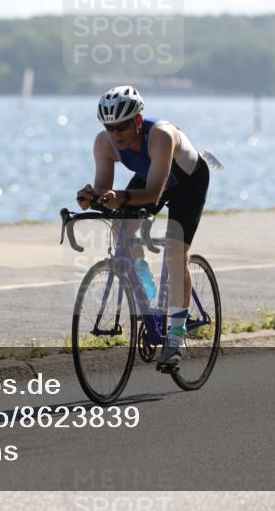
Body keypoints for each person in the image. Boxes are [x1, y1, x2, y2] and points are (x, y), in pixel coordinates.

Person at [76, 85, 210, 372]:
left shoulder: (161, 135)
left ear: (137, 121)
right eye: (109, 127)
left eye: (122, 126)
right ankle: (147, 287)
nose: (116, 134)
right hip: (150, 178)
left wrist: (120, 197)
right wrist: (92, 197)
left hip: (187, 183)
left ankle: (176, 337)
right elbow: (104, 189)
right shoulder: (104, 143)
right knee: (121, 229)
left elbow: (151, 193)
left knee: (175, 253)